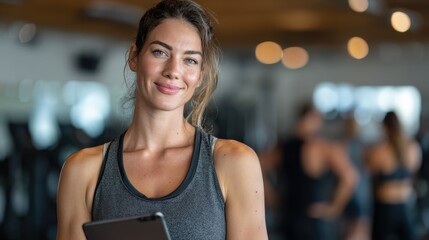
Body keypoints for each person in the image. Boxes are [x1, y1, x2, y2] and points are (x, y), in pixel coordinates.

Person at [56, 1, 268, 239]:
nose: (173, 70)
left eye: (190, 60)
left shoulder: (234, 163)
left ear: (200, 75)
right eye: (160, 52)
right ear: (134, 57)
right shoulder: (83, 171)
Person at [260, 102, 357, 240]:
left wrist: (272, 199)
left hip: (289, 216)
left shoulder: (283, 148)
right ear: (314, 119)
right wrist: (334, 208)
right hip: (314, 220)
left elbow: (258, 166)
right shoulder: (322, 147)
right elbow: (351, 177)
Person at [366, 111, 421, 240]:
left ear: (384, 127)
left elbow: (369, 168)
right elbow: (415, 170)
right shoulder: (413, 147)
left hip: (387, 205)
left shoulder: (380, 150)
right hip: (407, 203)